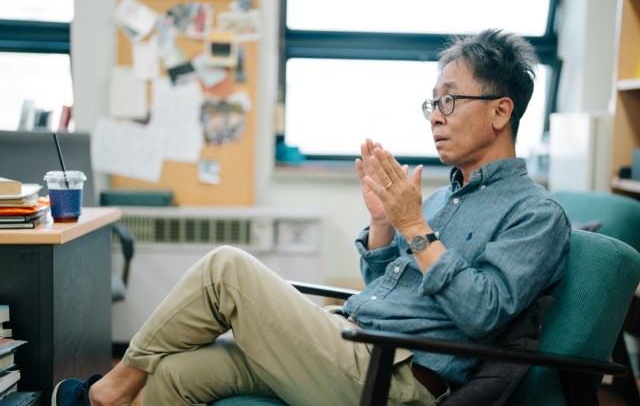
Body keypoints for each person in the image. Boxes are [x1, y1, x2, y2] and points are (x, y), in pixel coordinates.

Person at [53, 29, 570, 406]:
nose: (435, 115)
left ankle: (105, 391)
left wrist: (414, 226)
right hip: (349, 337)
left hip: (393, 378)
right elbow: (387, 287)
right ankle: (120, 394)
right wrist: (386, 226)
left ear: (501, 112)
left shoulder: (535, 214)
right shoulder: (439, 199)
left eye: (450, 100)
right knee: (177, 375)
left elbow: (484, 313)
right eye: (432, 102)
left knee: (225, 269)